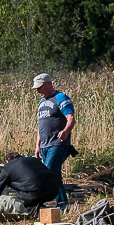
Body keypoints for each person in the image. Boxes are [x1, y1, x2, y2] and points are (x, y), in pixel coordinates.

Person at [32, 73, 75, 210]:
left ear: (48, 84)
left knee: (49, 173)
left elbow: (71, 118)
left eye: (40, 87)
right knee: (54, 175)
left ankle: (59, 205)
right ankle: (63, 204)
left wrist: (66, 131)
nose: (37, 91)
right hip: (44, 145)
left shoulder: (60, 98)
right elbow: (41, 126)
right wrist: (37, 146)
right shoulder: (41, 102)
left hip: (58, 144)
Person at [0, 152, 61, 220]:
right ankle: (43, 209)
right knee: (33, 195)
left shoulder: (7, 167)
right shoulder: (33, 160)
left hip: (35, 192)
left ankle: (39, 211)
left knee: (17, 201)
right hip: (54, 190)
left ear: (7, 161)